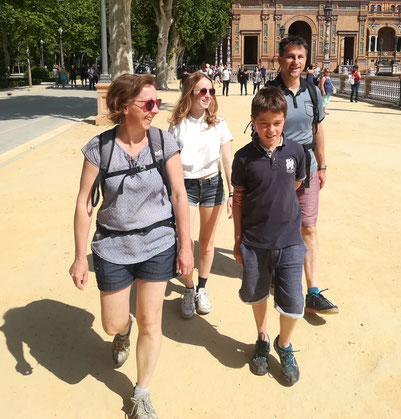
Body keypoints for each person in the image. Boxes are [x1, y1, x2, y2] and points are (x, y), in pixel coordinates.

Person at [69, 74, 191, 419]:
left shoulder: (163, 143)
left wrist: (185, 246)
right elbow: (83, 204)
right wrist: (80, 257)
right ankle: (122, 333)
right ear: (125, 107)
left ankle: (141, 392)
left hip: (157, 242)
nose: (156, 109)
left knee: (151, 322)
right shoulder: (100, 148)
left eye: (157, 103)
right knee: (113, 322)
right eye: (148, 103)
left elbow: (180, 195)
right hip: (112, 246)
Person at [232, 88, 306, 384]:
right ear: (253, 121)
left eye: (276, 123)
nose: (270, 130)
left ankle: (283, 344)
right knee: (257, 292)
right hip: (255, 240)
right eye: (264, 123)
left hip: (290, 239)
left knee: (293, 301)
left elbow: (297, 184)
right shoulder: (243, 158)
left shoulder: (297, 152)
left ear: (284, 120)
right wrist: (238, 239)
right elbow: (238, 200)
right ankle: (262, 337)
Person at [267, 36, 338, 315]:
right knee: (279, 224)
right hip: (279, 168)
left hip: (307, 167)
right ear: (280, 59)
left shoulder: (312, 92)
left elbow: (317, 131)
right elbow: (262, 132)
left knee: (308, 226)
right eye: (289, 56)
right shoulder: (270, 92)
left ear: (305, 59)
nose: (295, 62)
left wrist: (322, 166)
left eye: (299, 56)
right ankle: (278, 272)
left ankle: (313, 291)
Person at [169, 72, 233, 317]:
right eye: (202, 91)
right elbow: (170, 162)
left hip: (212, 185)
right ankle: (188, 288)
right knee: (185, 241)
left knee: (207, 243)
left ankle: (202, 289)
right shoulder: (176, 124)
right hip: (186, 186)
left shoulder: (218, 123)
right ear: (190, 93)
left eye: (211, 91)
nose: (208, 95)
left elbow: (228, 160)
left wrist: (232, 190)